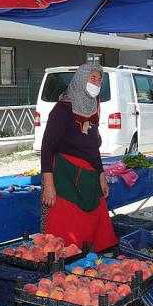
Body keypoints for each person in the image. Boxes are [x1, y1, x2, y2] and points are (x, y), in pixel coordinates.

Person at [40, 63, 118, 251]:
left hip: (89, 178)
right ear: (81, 80)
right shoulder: (62, 110)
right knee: (66, 236)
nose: (97, 83)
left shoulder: (93, 108)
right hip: (65, 178)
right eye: (92, 78)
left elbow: (93, 146)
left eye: (99, 80)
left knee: (97, 232)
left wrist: (101, 176)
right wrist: (49, 186)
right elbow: (47, 148)